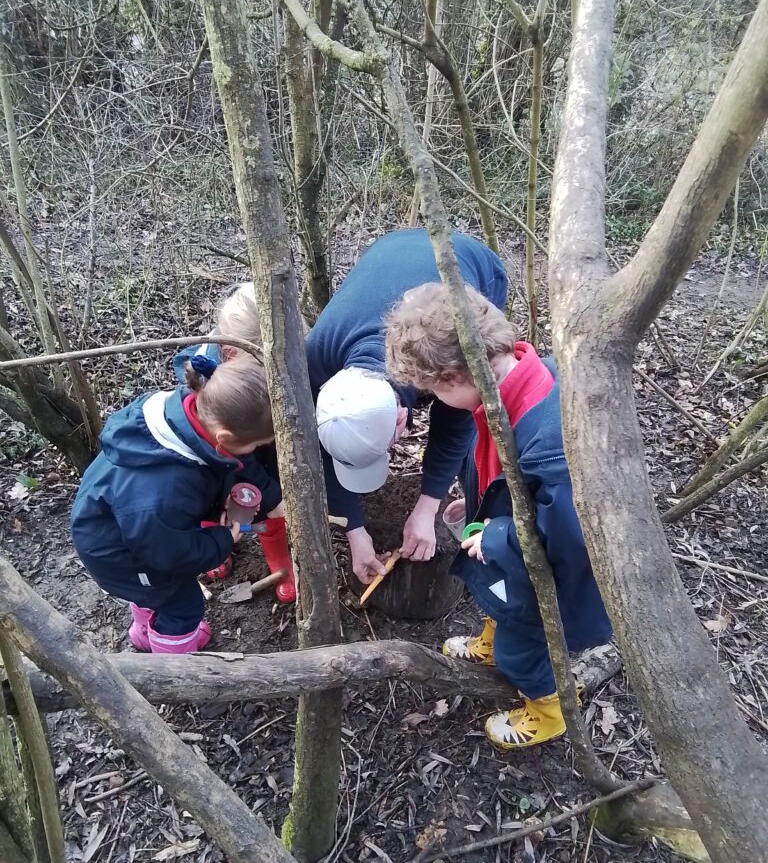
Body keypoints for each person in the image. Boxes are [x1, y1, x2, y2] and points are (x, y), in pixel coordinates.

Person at [384, 283, 612, 750]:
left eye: (431, 390)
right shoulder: (510, 388)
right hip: (507, 558)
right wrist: (481, 504)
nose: (431, 399)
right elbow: (507, 478)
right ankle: (493, 636)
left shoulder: (551, 441)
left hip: (540, 581)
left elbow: (569, 538)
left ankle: (549, 709)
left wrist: (497, 537)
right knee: (494, 598)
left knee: (522, 650)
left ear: (455, 377)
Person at [307, 228, 508, 585]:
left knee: (470, 397)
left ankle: (478, 504)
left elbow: (457, 420)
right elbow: (321, 449)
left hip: (468, 264)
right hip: (388, 253)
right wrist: (355, 532)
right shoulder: (315, 358)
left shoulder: (438, 358)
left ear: (402, 418)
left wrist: (427, 508)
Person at [71, 355, 288, 654]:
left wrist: (271, 498)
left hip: (122, 528)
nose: (256, 451)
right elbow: (170, 555)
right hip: (120, 554)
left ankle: (142, 632)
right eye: (257, 445)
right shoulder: (162, 491)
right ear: (224, 438)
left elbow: (232, 459)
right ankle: (174, 661)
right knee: (182, 605)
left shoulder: (194, 415)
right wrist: (221, 540)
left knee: (149, 590)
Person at [172, 281, 296, 602]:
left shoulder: (257, 361)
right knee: (216, 498)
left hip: (255, 428)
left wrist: (271, 496)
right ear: (230, 355)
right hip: (213, 457)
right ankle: (217, 546)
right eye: (265, 371)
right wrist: (271, 498)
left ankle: (278, 556)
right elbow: (236, 457)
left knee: (267, 488)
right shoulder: (200, 387)